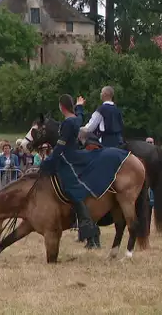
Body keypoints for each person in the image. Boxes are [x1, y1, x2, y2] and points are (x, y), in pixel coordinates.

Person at [40, 94, 100, 247]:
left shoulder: (67, 123)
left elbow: (60, 147)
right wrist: (79, 105)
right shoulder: (76, 119)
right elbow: (80, 116)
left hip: (68, 158)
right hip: (76, 154)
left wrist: (48, 162)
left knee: (72, 189)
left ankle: (87, 226)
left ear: (61, 106)